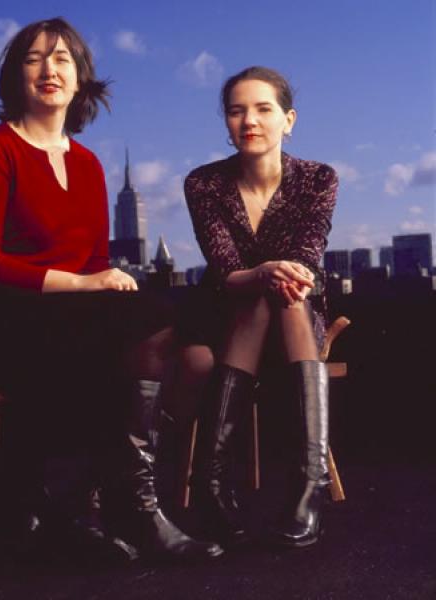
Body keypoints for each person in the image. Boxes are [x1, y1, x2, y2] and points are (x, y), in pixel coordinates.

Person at [0, 17, 221, 562]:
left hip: (75, 313)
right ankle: (118, 506)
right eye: (33, 59)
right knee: (140, 326)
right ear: (14, 76)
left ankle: (123, 501)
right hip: (9, 313)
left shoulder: (89, 164)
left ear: (80, 80)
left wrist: (98, 283)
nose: (49, 70)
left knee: (161, 325)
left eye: (62, 60)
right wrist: (80, 283)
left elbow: (98, 261)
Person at [182, 66, 338, 548]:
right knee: (260, 292)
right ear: (226, 123)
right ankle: (229, 487)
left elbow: (307, 256)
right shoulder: (204, 184)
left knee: (285, 292)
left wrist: (278, 274)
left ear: (288, 119)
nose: (249, 120)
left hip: (295, 312)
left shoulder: (317, 178)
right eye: (236, 110)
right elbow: (225, 267)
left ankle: (304, 485)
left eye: (263, 108)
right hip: (224, 312)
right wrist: (265, 273)